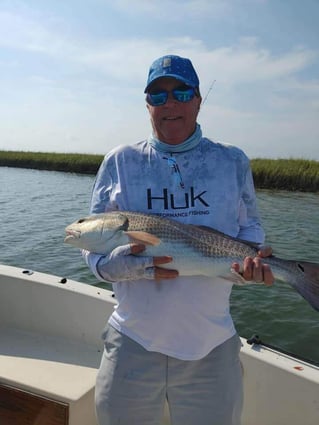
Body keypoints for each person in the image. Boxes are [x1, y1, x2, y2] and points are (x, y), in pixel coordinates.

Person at [83, 54, 274, 425]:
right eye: (158, 96)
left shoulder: (232, 161)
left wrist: (251, 265)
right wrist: (111, 267)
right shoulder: (120, 161)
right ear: (147, 105)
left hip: (212, 346)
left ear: (199, 100)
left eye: (181, 92)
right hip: (131, 343)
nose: (169, 103)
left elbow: (250, 230)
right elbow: (95, 247)